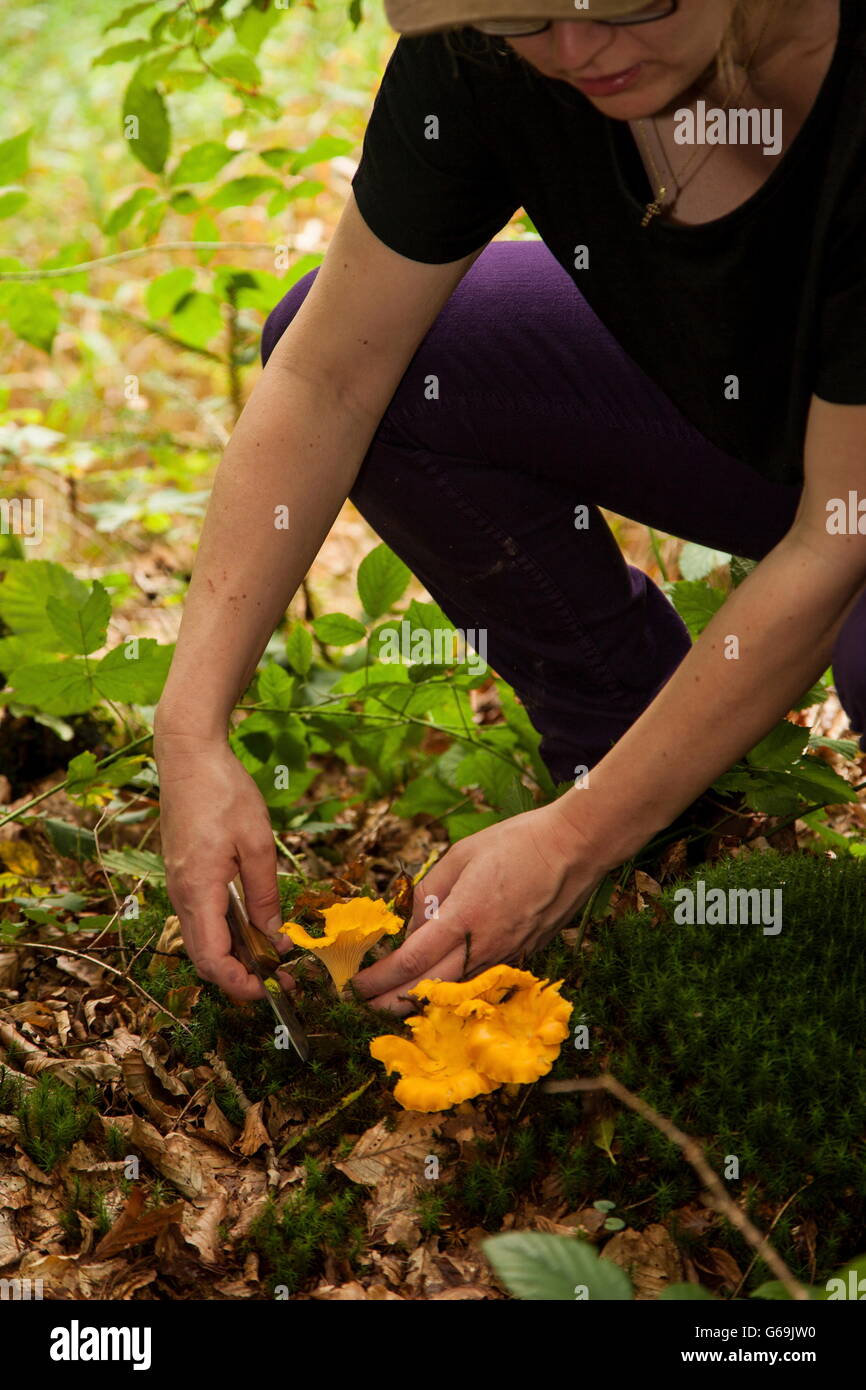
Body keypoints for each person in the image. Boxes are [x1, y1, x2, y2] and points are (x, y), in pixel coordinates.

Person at [154, 0, 866, 1015]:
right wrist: (189, 729)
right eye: (520, 17)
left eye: (626, 4)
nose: (572, 53)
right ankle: (652, 791)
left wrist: (573, 843)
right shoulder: (490, 54)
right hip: (791, 425)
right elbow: (327, 376)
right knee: (404, 364)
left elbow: (838, 537)